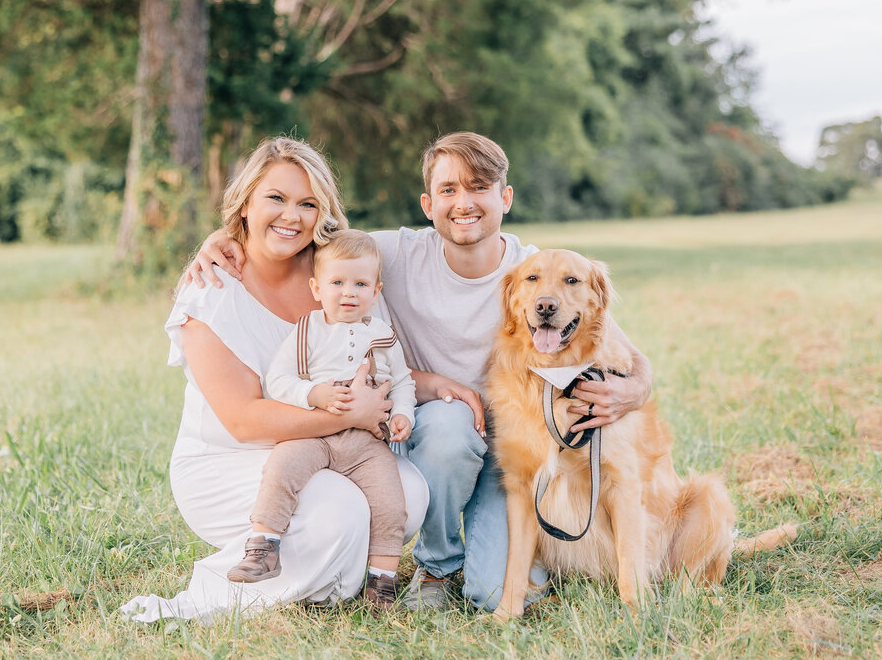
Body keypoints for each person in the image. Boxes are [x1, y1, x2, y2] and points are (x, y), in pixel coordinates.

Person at [188, 132, 652, 612]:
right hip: (437, 436)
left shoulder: (534, 271)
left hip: (513, 452)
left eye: (479, 187)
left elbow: (630, 354)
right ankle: (437, 565)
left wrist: (634, 390)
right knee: (449, 426)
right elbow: (314, 243)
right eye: (449, 190)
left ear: (505, 198)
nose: (464, 203)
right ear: (428, 204)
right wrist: (227, 236)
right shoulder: (395, 253)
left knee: (494, 594)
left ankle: (518, 557)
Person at [120, 138, 428, 623]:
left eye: (308, 204)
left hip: (337, 447)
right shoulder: (212, 290)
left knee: (409, 492)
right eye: (276, 198)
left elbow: (382, 364)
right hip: (229, 459)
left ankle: (329, 577)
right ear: (245, 203)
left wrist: (440, 387)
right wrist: (346, 413)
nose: (292, 216)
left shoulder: (339, 273)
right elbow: (244, 421)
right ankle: (235, 587)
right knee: (342, 511)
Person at [228, 229, 416, 610]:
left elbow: (404, 381)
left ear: (376, 291)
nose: (349, 293)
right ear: (317, 288)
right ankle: (263, 545)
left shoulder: (383, 336)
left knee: (391, 501)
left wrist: (402, 412)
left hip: (366, 443)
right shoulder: (306, 331)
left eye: (360, 284)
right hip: (312, 431)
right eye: (337, 283)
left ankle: (381, 582)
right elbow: (277, 380)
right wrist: (312, 394)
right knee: (282, 467)